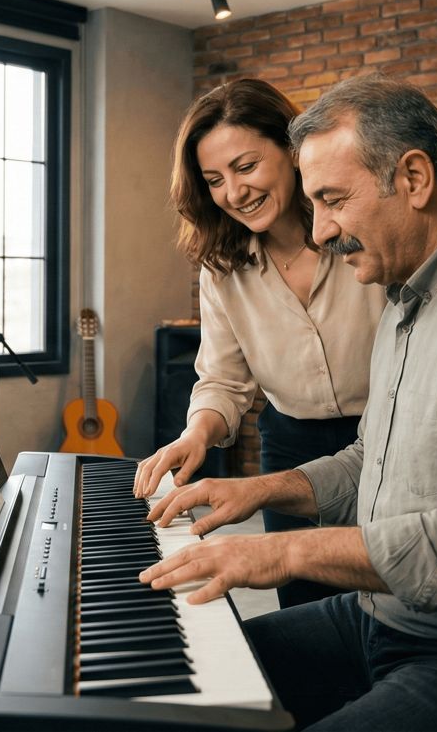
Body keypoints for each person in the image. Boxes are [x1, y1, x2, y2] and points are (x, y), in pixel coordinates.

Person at [139, 73, 437, 731]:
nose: (319, 230)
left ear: (415, 178)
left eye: (333, 199)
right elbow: (367, 459)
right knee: (185, 696)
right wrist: (257, 491)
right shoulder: (407, 298)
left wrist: (278, 553)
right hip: (391, 616)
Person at [133, 78, 384, 609]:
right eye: (214, 180)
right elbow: (223, 379)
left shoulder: (363, 234)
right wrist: (196, 434)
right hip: (291, 447)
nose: (233, 192)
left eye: (246, 167)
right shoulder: (221, 266)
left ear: (293, 152)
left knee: (393, 599)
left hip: (388, 440)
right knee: (307, 609)